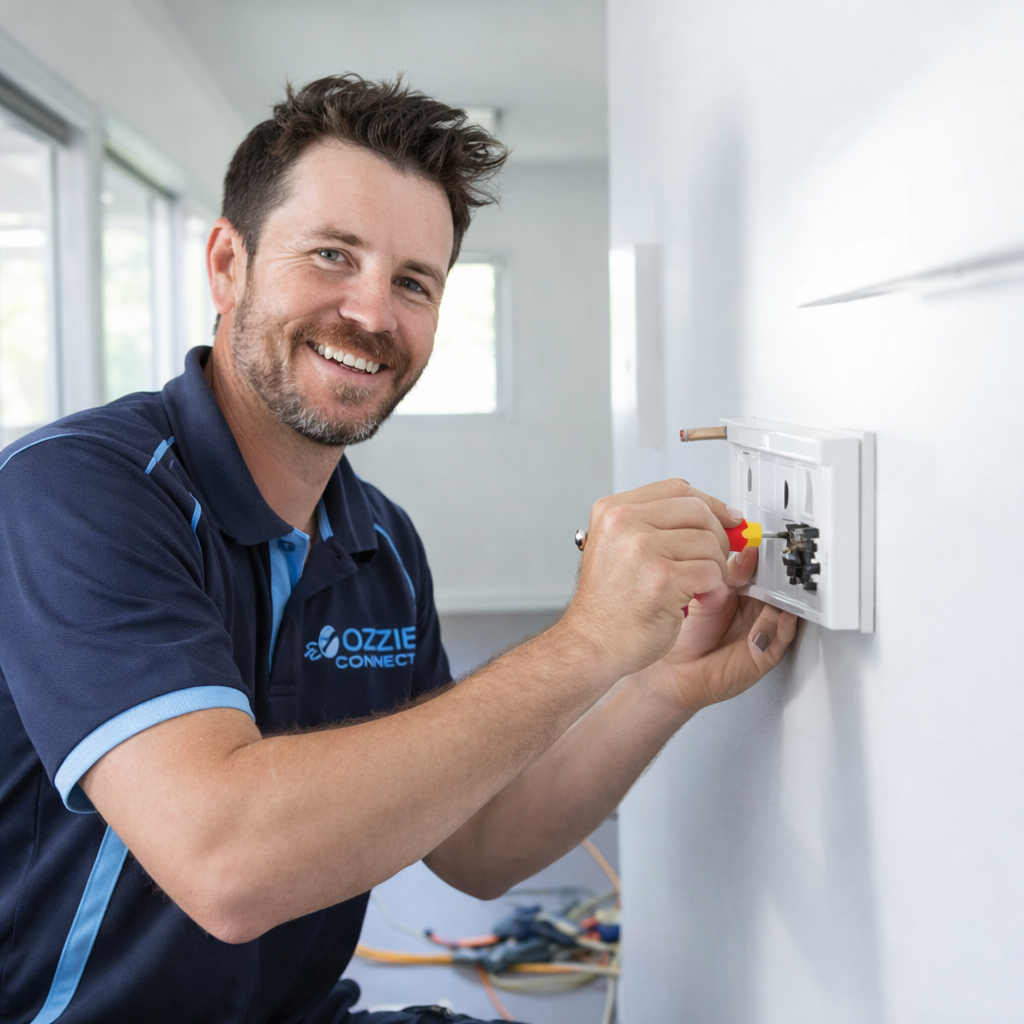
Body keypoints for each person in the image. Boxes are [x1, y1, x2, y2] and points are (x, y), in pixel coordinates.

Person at [0, 75, 796, 1024]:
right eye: (332, 255)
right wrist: (584, 642)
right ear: (227, 264)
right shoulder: (75, 492)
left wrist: (659, 681)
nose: (373, 315)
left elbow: (478, 843)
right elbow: (228, 861)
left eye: (413, 282)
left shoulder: (377, 539)